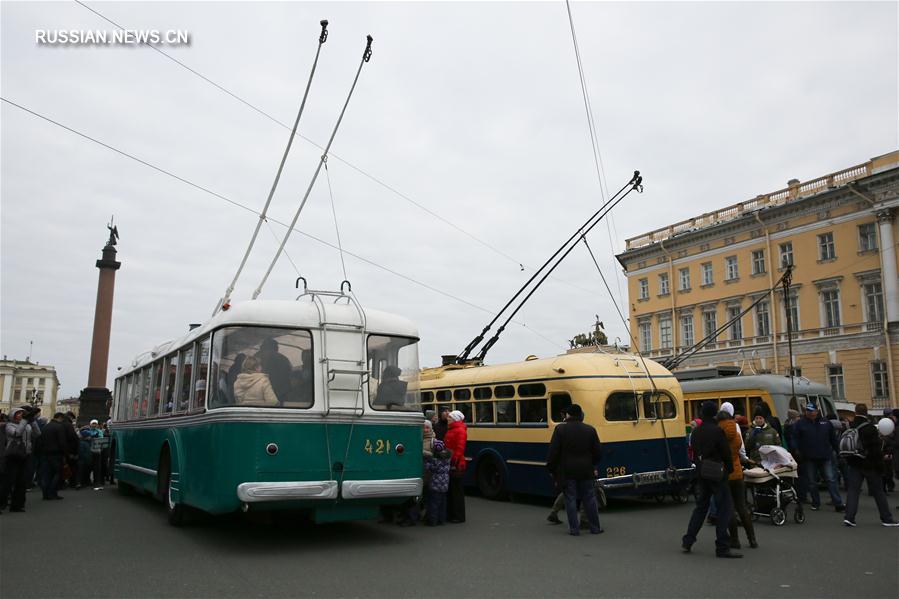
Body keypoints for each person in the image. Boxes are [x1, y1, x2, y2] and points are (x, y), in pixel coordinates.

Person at [682, 401, 740, 558]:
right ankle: (722, 546)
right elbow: (725, 452)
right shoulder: (717, 431)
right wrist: (729, 469)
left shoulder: (697, 432)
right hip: (716, 472)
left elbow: (694, 450)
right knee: (724, 508)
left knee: (701, 507)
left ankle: (688, 539)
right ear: (715, 414)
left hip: (702, 472)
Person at [546, 403, 603, 536]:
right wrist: (591, 463)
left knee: (570, 498)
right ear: (580, 415)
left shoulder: (560, 430)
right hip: (586, 470)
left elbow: (553, 451)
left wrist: (552, 468)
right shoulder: (590, 430)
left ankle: (574, 529)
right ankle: (595, 527)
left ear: (569, 415)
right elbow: (598, 453)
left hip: (567, 470)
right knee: (590, 498)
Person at [842, 404, 899, 527]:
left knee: (853, 491)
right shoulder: (870, 428)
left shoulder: (849, 425)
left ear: (855, 412)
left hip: (854, 462)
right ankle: (886, 518)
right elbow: (875, 450)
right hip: (870, 464)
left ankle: (849, 517)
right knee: (878, 491)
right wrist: (880, 466)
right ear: (866, 412)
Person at [718, 402, 757, 549]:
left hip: (724, 473)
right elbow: (741, 451)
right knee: (742, 507)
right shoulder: (737, 430)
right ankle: (752, 539)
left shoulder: (718, 431)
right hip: (737, 472)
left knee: (729, 509)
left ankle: (735, 540)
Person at [794, 402, 845, 512]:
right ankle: (816, 503)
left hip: (825, 456)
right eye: (808, 410)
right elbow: (795, 438)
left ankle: (838, 502)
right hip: (809, 457)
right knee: (812, 482)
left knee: (831, 479)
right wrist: (796, 451)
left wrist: (838, 451)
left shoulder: (826, 423)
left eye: (812, 410)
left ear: (817, 411)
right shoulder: (800, 424)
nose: (810, 413)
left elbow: (833, 439)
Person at [0, 406, 42, 513]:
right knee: (8, 481)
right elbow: (16, 433)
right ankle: (1, 503)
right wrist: (24, 421)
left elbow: (38, 434)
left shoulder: (27, 425)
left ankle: (17, 505)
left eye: (22, 413)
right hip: (13, 456)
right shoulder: (9, 425)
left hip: (25, 455)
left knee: (21, 482)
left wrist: (32, 421)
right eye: (18, 413)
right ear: (12, 415)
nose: (20, 415)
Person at [444, 410, 468, 523]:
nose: (447, 419)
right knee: (452, 490)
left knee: (456, 490)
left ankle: (459, 516)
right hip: (450, 461)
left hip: (456, 463)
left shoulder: (459, 430)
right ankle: (452, 514)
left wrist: (454, 461)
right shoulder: (452, 429)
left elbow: (460, 448)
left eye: (450, 417)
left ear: (455, 419)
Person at [39, 412, 68, 500]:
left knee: (46, 474)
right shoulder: (59, 427)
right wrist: (65, 454)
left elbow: (41, 440)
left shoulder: (46, 426)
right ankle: (52, 492)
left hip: (45, 453)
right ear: (60, 418)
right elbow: (62, 442)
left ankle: (45, 493)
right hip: (56, 454)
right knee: (57, 473)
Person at [426, 439, 452, 526]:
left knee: (434, 503)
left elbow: (431, 468)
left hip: (436, 484)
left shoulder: (436, 461)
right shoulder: (447, 460)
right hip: (444, 484)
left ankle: (433, 520)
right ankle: (442, 519)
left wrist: (427, 464)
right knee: (442, 503)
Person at [258, 338, 292, 403]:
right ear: (275, 347)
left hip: (264, 392)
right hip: (281, 392)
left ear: (263, 347)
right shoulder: (283, 358)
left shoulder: (260, 357)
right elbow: (289, 373)